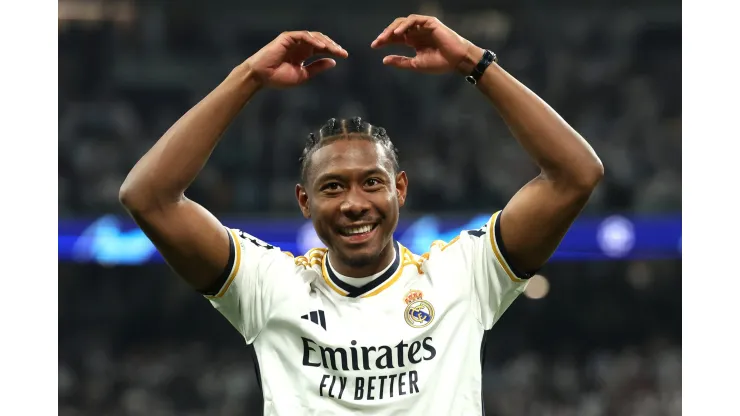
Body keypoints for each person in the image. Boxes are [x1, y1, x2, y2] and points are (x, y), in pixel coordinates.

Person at [120, 15, 603, 416]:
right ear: (304, 203)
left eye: (372, 182)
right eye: (332, 187)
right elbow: (148, 197)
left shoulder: (462, 277)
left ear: (400, 190)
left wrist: (472, 62)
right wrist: (248, 77)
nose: (354, 203)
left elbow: (575, 175)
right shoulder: (269, 286)